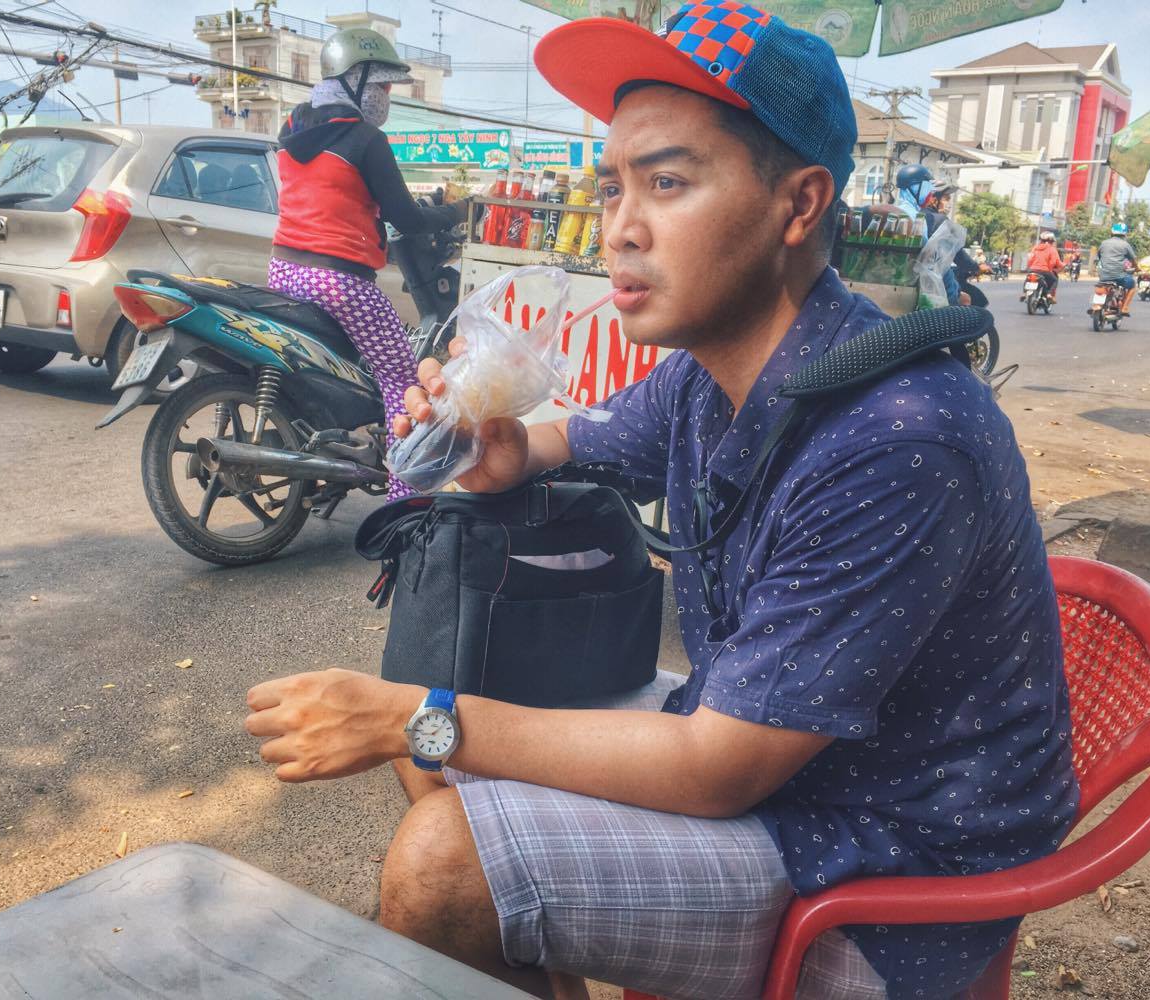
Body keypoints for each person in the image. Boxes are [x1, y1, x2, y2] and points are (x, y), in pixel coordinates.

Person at [242, 6, 1077, 999]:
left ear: (798, 204)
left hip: (887, 853)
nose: (620, 228)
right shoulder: (710, 372)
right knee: (441, 741)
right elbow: (575, 438)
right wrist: (501, 448)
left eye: (667, 182)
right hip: (778, 757)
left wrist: (415, 716)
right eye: (612, 185)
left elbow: (715, 766)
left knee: (438, 847)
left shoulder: (896, 435)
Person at [266, 28, 469, 501]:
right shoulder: (365, 138)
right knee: (402, 381)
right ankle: (404, 498)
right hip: (338, 279)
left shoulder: (292, 126)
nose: (386, 97)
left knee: (343, 367)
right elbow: (407, 218)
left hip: (283, 269)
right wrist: (462, 210)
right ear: (354, 82)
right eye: (380, 86)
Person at [894, 164, 968, 304]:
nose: (930, 194)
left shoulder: (897, 210)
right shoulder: (918, 218)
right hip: (914, 287)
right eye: (927, 188)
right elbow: (931, 262)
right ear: (916, 188)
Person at [1096, 223, 1139, 316]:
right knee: (1132, 285)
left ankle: (1099, 305)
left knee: (1101, 287)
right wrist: (1137, 268)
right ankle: (1125, 308)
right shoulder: (1125, 245)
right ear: (1124, 234)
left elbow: (1099, 256)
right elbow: (1133, 259)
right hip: (1118, 275)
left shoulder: (1104, 243)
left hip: (1103, 275)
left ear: (1112, 232)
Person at [1024, 231, 1061, 304]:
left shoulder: (1035, 248)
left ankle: (1024, 293)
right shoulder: (1052, 249)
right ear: (1051, 241)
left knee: (1028, 278)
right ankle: (1049, 294)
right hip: (1045, 271)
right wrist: (1050, 269)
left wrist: (1030, 267)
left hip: (1032, 269)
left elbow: (1030, 259)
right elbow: (1053, 262)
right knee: (1054, 280)